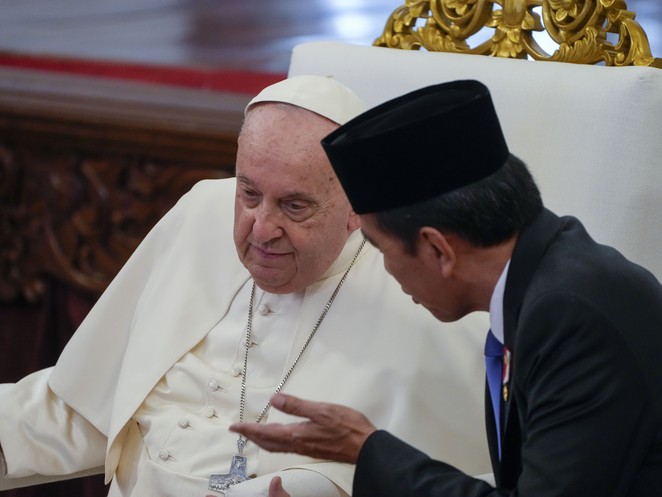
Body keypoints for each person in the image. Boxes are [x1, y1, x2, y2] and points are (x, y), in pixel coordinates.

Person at [0, 76, 492, 496]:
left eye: (295, 206)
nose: (261, 229)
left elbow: (461, 475)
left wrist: (328, 486)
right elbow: (86, 398)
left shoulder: (422, 287)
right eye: (249, 193)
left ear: (355, 210)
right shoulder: (203, 212)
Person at [230, 79, 662, 496]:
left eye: (382, 249)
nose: (387, 271)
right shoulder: (545, 277)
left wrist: (366, 451)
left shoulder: (570, 315)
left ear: (438, 249)